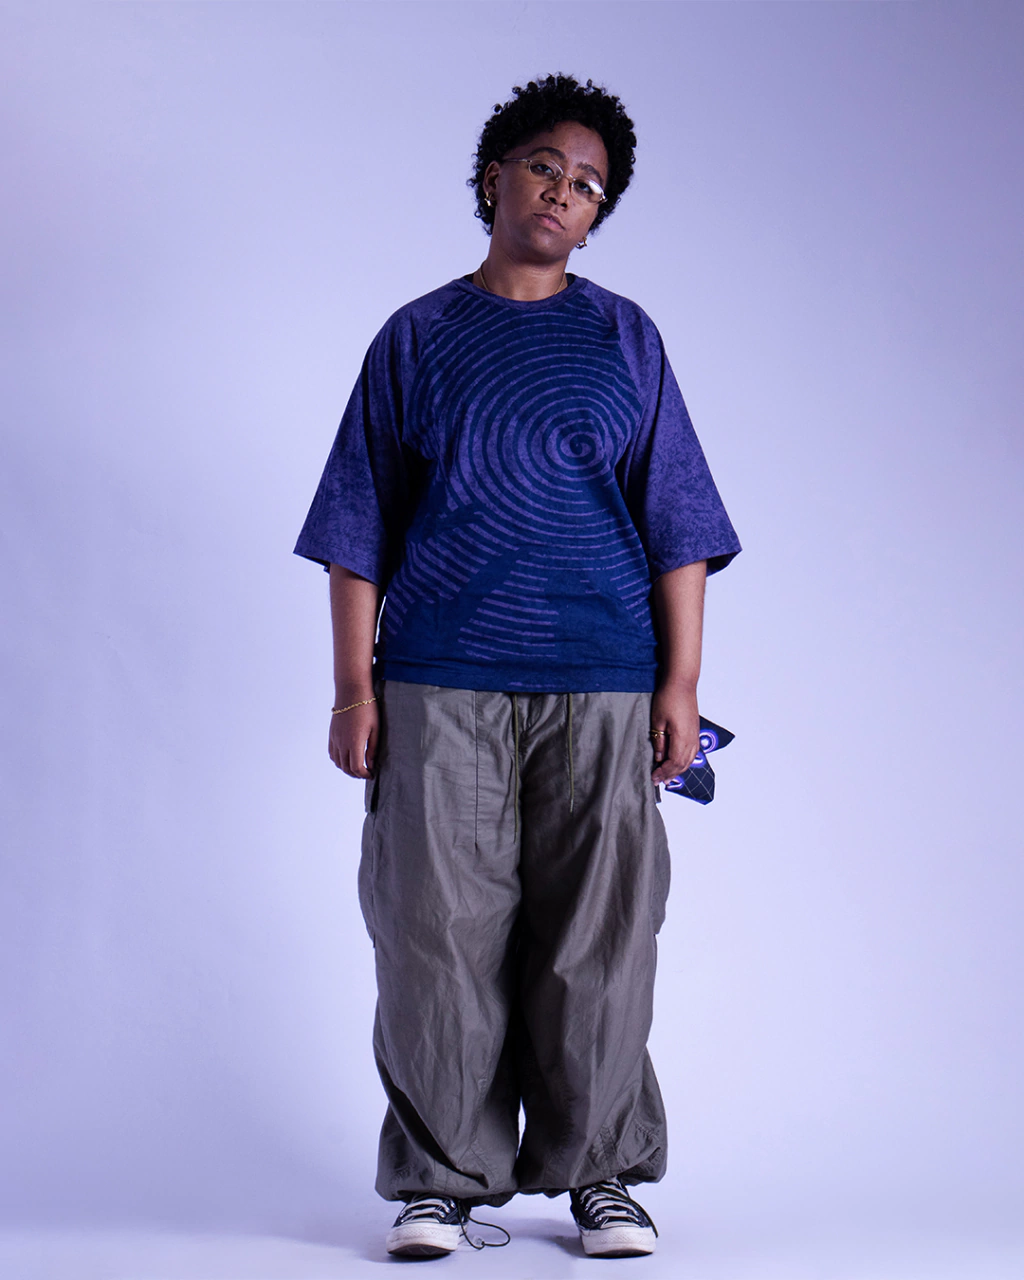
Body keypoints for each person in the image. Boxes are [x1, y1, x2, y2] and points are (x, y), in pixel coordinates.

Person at [294, 73, 741, 1260]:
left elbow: (678, 525)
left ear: (596, 219)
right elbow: (357, 525)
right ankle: (442, 1179)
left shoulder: (623, 339)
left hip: (604, 677)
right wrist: (353, 689)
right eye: (546, 165)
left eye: (589, 186)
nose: (563, 191)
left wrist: (680, 687)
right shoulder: (416, 338)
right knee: (434, 932)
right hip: (436, 679)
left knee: (600, 938)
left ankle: (602, 1173)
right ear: (494, 173)